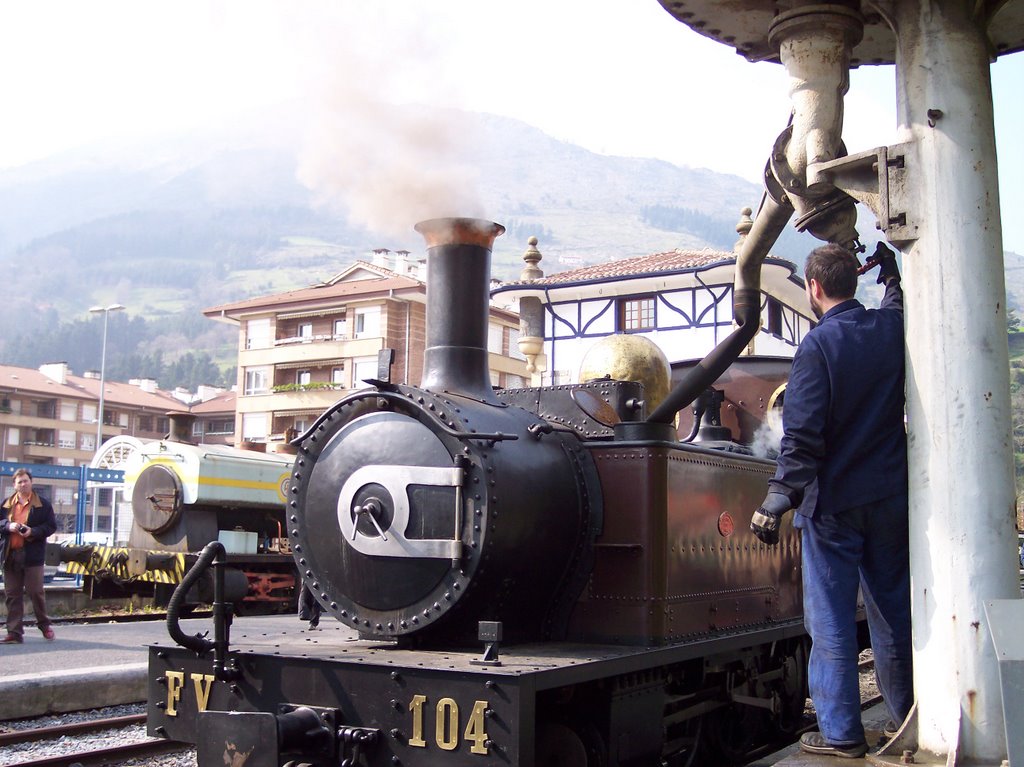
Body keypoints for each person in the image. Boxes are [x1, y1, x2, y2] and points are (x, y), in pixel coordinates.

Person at [750, 242, 912, 758]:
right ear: (852, 282)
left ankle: (842, 733)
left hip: (835, 507)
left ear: (814, 289)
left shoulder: (817, 347)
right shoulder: (889, 331)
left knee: (832, 621)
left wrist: (777, 497)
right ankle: (908, 716)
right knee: (892, 615)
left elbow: (803, 437)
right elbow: (896, 308)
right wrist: (892, 278)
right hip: (889, 497)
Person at [1, 468, 58, 643]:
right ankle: (14, 633)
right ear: (14, 485)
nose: (23, 484)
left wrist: (33, 531)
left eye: (26, 481)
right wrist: (8, 526)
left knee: (35, 592)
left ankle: (44, 625)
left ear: (31, 482)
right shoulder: (6, 504)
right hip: (10, 555)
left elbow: (51, 526)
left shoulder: (43, 504)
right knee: (12, 594)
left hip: (32, 556)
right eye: (20, 482)